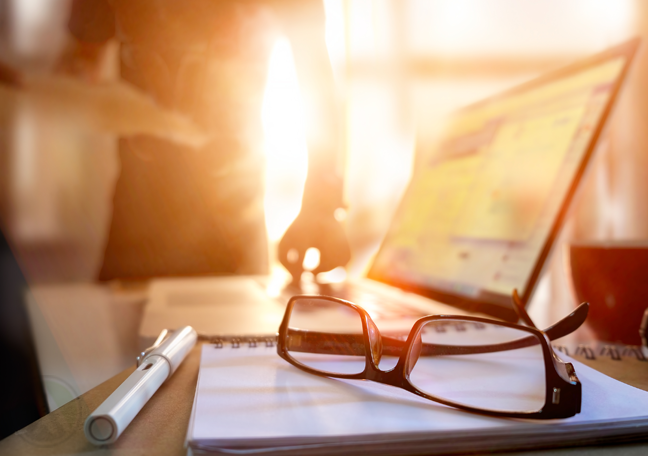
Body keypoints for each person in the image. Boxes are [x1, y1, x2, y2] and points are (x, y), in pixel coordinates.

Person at [65, 0, 350, 282]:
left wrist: (320, 204)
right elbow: (83, 57)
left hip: (232, 236)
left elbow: (317, 81)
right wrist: (52, 87)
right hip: (135, 228)